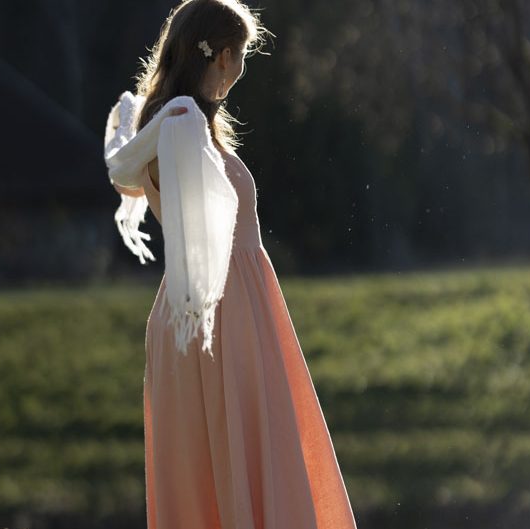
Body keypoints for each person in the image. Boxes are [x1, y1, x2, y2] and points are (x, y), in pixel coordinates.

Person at [109, 1, 358, 527]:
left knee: (237, 456)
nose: (241, 70)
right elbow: (199, 229)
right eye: (241, 56)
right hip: (222, 316)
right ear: (222, 56)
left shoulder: (170, 125)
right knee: (236, 452)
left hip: (219, 310)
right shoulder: (182, 126)